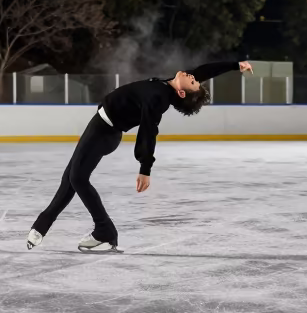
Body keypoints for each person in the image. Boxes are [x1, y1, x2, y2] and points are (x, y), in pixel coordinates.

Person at [26, 60, 254, 252]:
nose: (193, 75)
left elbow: (149, 130)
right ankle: (41, 226)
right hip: (100, 126)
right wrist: (236, 65)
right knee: (71, 178)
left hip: (105, 132)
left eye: (193, 81)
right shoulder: (168, 85)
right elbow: (204, 71)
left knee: (77, 179)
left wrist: (145, 168)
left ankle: (105, 231)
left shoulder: (160, 99)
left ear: (182, 92)